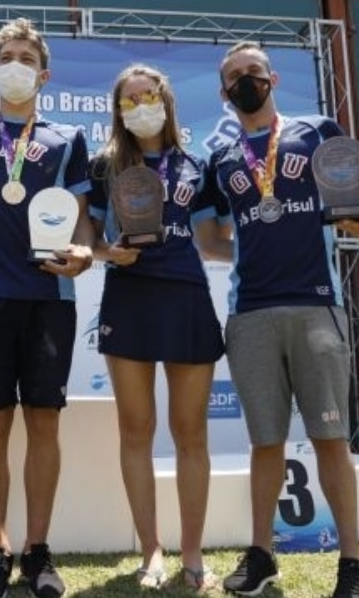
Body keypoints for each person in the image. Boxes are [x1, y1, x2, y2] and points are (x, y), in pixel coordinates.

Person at [198, 41, 359, 598]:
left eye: (254, 71)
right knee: (266, 443)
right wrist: (254, 253)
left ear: (273, 78)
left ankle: (352, 565)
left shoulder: (318, 130)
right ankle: (262, 557)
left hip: (315, 304)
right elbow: (210, 237)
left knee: (330, 438)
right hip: (250, 312)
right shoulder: (221, 157)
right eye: (235, 76)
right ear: (223, 91)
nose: (246, 81)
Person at [0, 17, 95, 598]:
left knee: (44, 423)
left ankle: (38, 549)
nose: (16, 66)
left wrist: (82, 252)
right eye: (8, 56)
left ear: (44, 74)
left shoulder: (67, 139)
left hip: (49, 299)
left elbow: (84, 220)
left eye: (27, 58)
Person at [86, 64, 224, 592]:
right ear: (118, 111)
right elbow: (90, 235)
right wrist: (106, 253)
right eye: (129, 100)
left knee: (191, 433)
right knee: (136, 431)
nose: (140, 105)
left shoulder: (198, 164)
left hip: (187, 297)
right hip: (130, 297)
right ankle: (152, 550)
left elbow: (211, 238)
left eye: (148, 96)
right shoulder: (105, 165)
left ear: (165, 99)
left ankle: (193, 553)